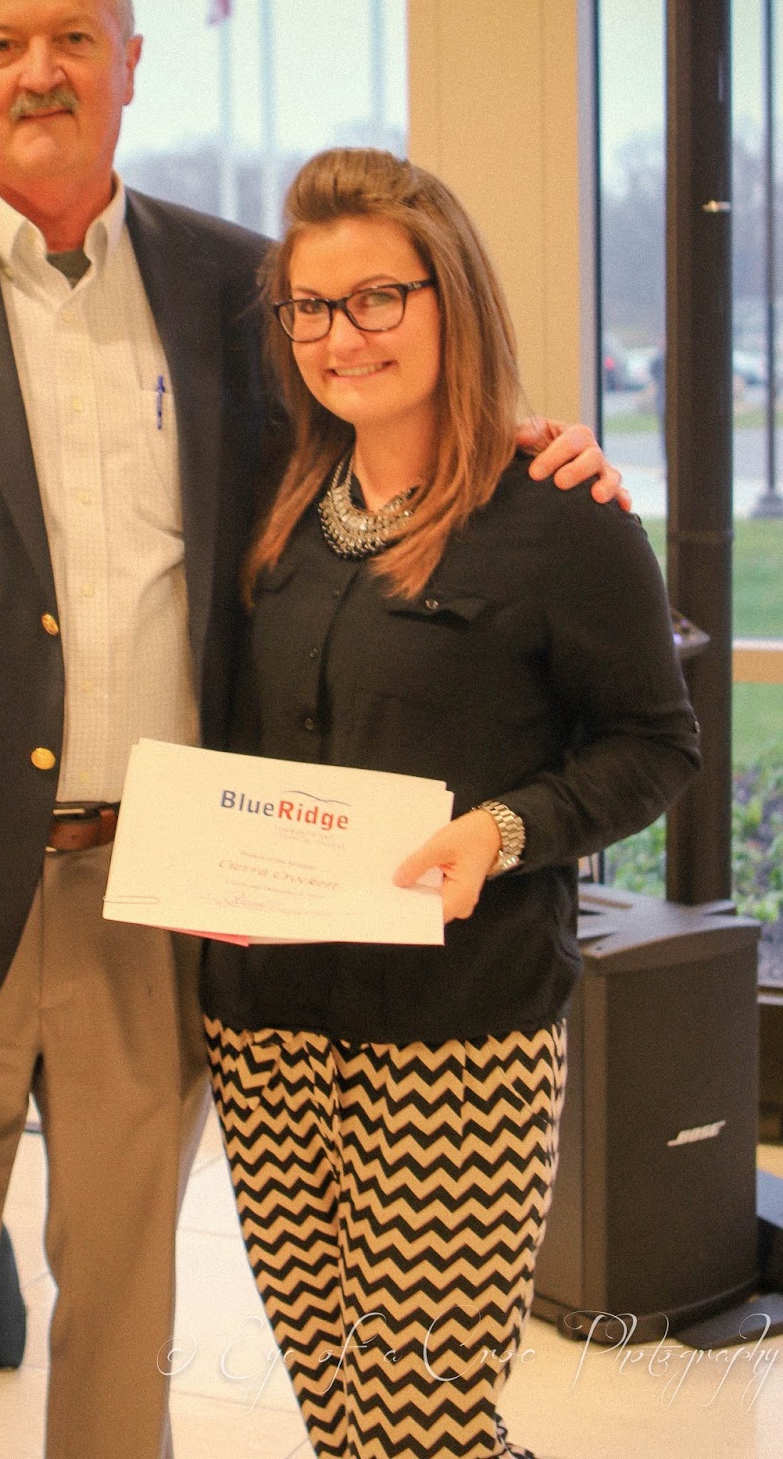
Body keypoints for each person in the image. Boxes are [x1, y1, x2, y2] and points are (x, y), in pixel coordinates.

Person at [0, 0, 624, 1459]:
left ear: (130, 62)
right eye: (4, 44)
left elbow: (374, 438)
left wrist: (530, 446)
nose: (38, 71)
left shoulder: (238, 285)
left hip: (162, 889)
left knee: (127, 1303)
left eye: (72, 38)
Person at [201, 148, 700, 1459]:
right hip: (267, 1027)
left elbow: (654, 746)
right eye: (311, 307)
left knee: (422, 1425)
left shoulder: (562, 519)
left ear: (450, 298)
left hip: (459, 1038)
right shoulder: (276, 508)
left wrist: (504, 829)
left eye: (377, 297)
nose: (340, 336)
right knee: (339, 1417)